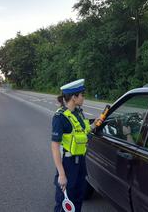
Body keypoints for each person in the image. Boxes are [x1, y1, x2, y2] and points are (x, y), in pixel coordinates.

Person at [51, 79, 98, 212]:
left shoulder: (78, 113)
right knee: (64, 203)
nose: (84, 97)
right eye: (82, 95)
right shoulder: (60, 118)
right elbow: (55, 147)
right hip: (68, 164)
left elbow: (83, 131)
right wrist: (61, 174)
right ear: (74, 97)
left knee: (78, 198)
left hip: (81, 162)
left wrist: (96, 124)